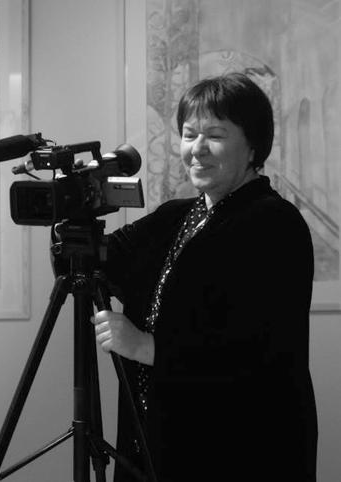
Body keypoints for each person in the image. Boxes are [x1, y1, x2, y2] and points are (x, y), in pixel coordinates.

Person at [91, 72, 318, 482]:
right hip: (160, 441)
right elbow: (93, 260)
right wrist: (74, 210)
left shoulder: (275, 223)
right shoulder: (176, 216)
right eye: (189, 134)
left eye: (215, 135)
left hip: (240, 447)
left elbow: (258, 349)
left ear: (253, 146)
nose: (197, 149)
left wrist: (146, 347)